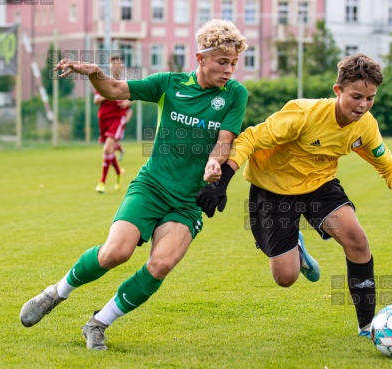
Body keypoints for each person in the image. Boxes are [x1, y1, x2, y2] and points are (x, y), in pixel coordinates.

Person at [19, 19, 249, 351]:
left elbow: (225, 139)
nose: (229, 70)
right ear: (200, 58)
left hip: (187, 201)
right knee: (115, 253)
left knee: (160, 264)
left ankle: (98, 323)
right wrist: (94, 72)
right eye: (222, 62)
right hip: (152, 186)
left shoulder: (235, 94)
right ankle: (56, 293)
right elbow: (114, 90)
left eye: (233, 63)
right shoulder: (168, 84)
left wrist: (215, 162)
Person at [196, 53, 392, 338]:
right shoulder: (303, 114)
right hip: (273, 189)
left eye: (370, 98)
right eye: (356, 96)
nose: (363, 105)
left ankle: (368, 326)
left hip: (319, 184)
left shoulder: (365, 125)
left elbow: (388, 164)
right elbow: (250, 138)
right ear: (338, 90)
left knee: (357, 239)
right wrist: (222, 180)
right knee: (285, 277)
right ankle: (297, 249)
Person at [94, 54, 133, 193]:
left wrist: (128, 102)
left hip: (118, 119)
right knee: (109, 150)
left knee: (107, 149)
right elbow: (96, 100)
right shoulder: (104, 81)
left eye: (119, 64)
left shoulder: (126, 82)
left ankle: (102, 182)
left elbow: (134, 97)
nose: (116, 66)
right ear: (110, 67)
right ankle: (118, 172)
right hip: (104, 119)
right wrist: (109, 93)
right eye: (113, 64)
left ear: (122, 66)